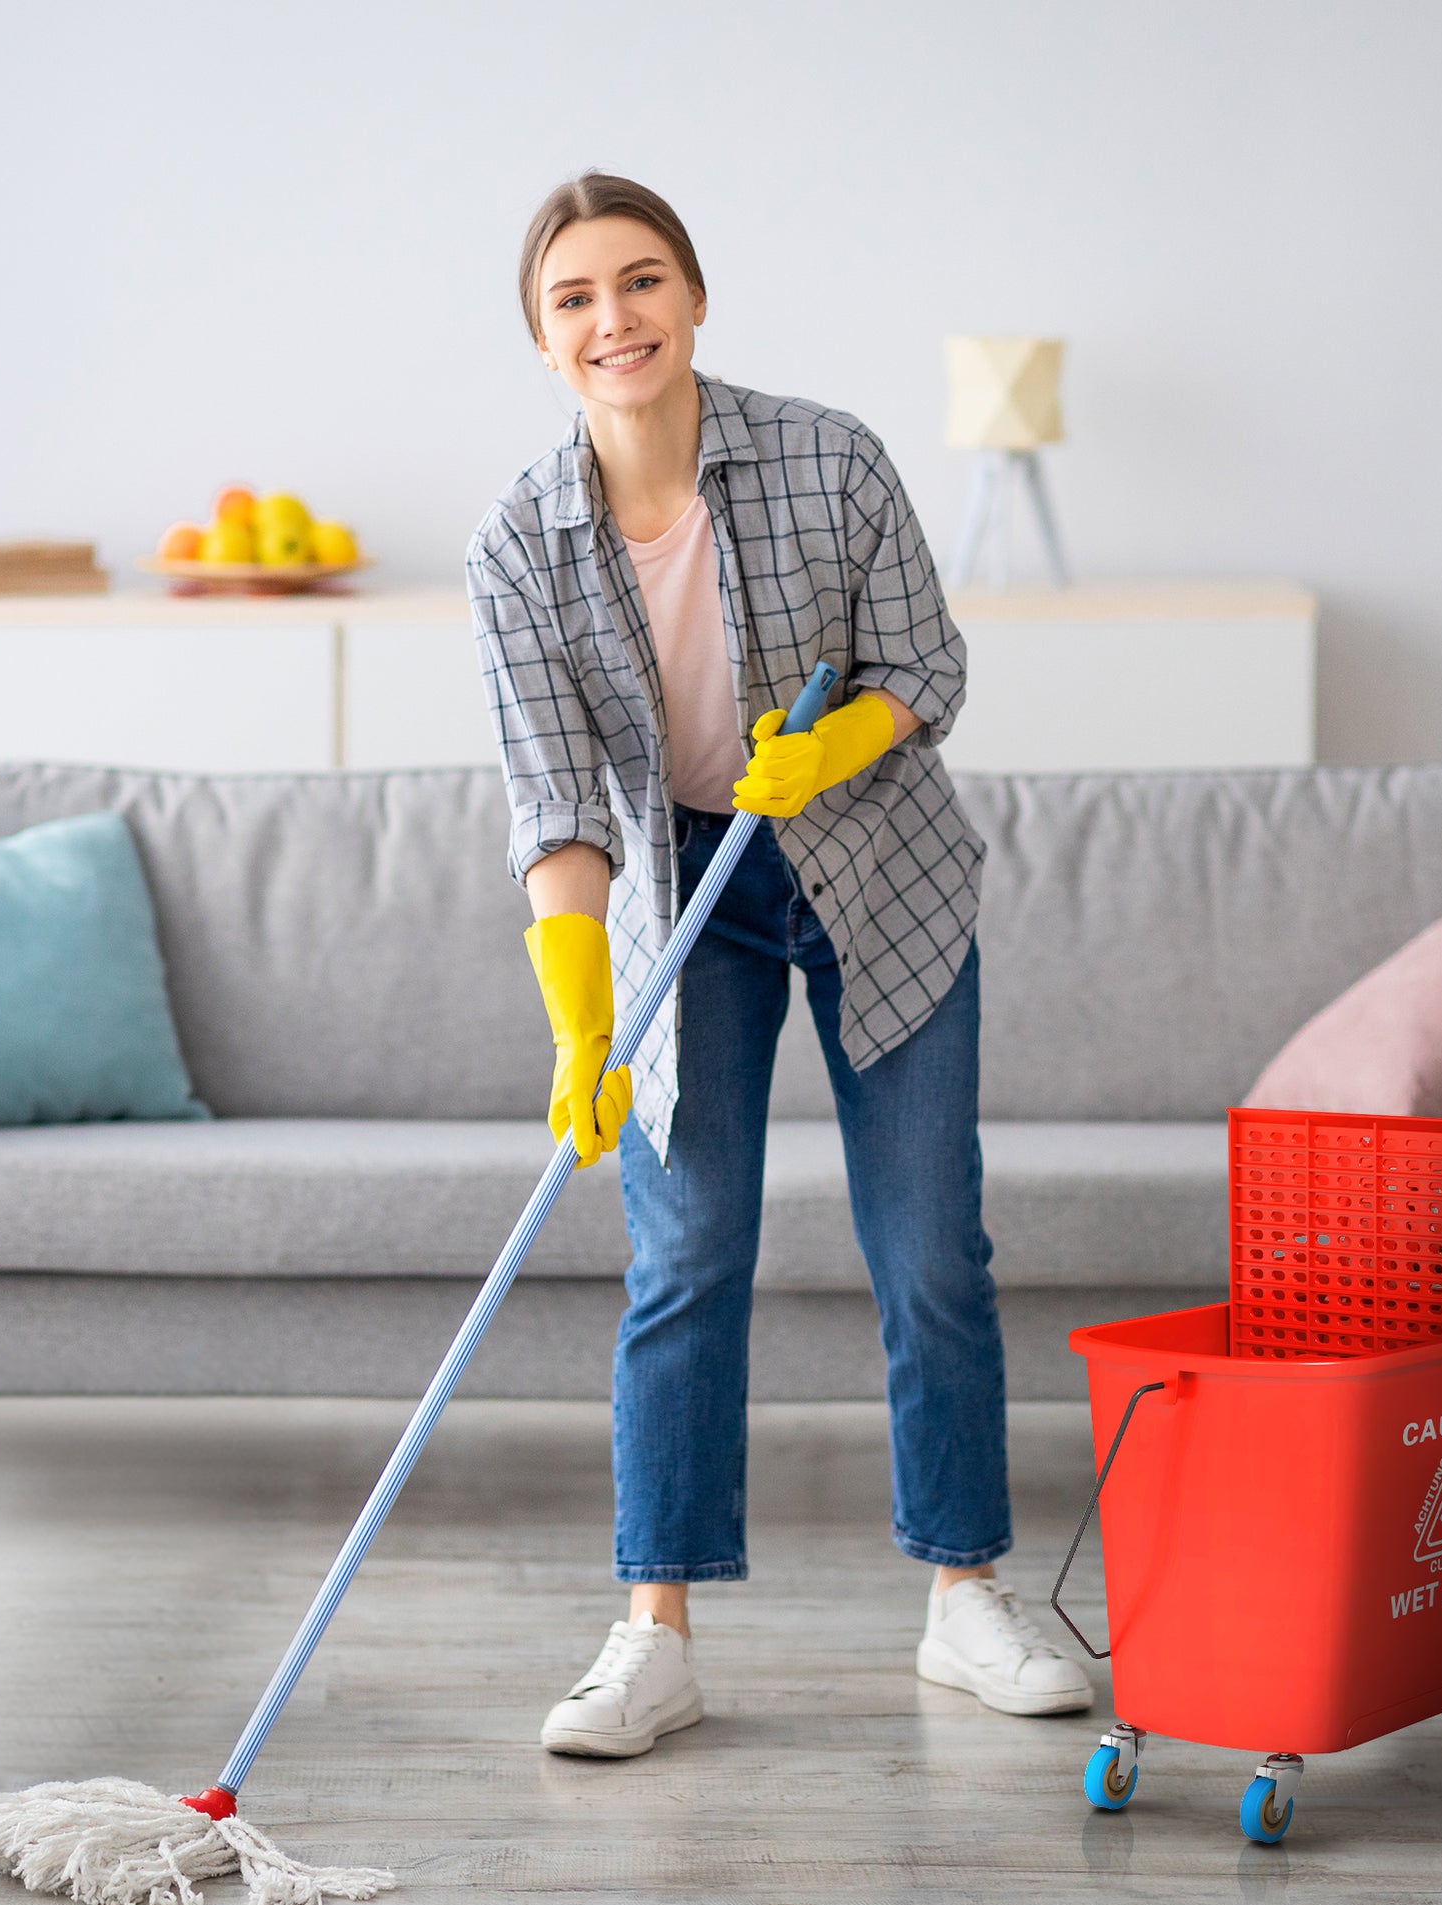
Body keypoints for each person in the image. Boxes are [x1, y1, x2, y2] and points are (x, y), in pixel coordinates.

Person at [467, 172, 1091, 1759]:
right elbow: (554, 800)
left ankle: (965, 1597)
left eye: (643, 280)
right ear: (541, 342)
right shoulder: (519, 545)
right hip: (685, 899)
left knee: (928, 1248)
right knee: (686, 1260)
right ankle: (652, 1631)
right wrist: (578, 1018)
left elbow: (927, 669)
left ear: (692, 297)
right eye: (576, 299)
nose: (616, 318)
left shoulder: (829, 456)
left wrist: (828, 754)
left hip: (874, 867)